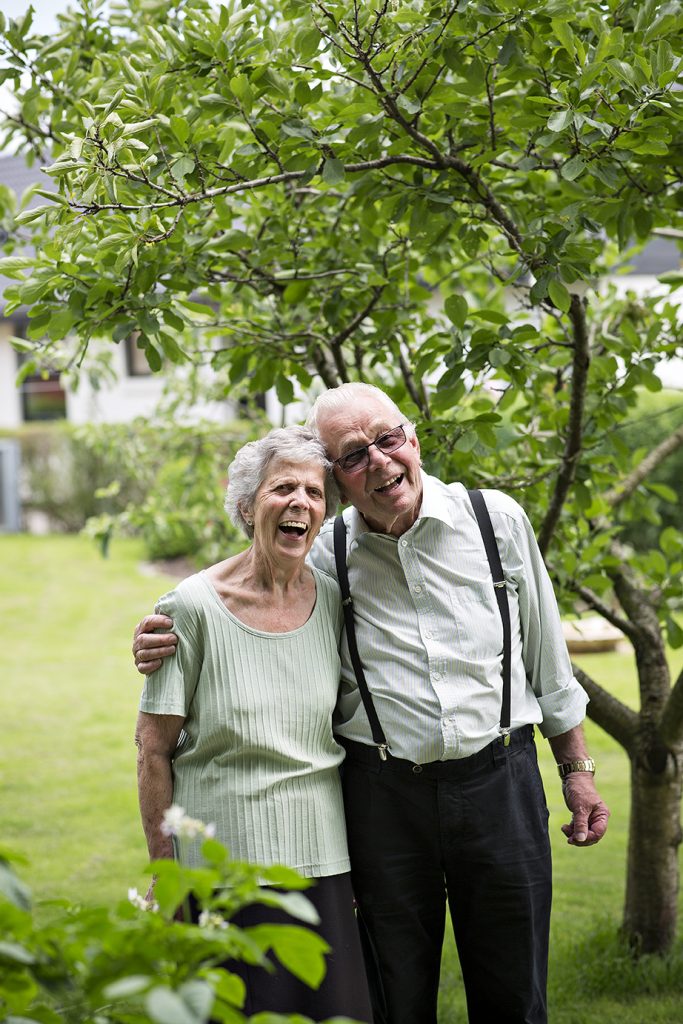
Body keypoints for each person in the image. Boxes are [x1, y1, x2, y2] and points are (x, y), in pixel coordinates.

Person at [134, 384, 609, 1024]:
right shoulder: (326, 552)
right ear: (340, 481)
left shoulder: (496, 522)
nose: (380, 462)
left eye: (387, 439)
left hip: (501, 786)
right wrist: (167, 626)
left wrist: (577, 772)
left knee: (515, 995)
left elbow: (549, 663)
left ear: (413, 438)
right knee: (394, 997)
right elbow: (254, 579)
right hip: (387, 802)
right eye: (354, 456)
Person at [134, 425, 373, 1022]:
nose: (301, 503)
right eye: (282, 488)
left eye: (314, 493)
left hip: (323, 862)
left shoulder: (335, 602)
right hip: (221, 865)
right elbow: (152, 750)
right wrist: (167, 871)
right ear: (246, 506)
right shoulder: (190, 607)